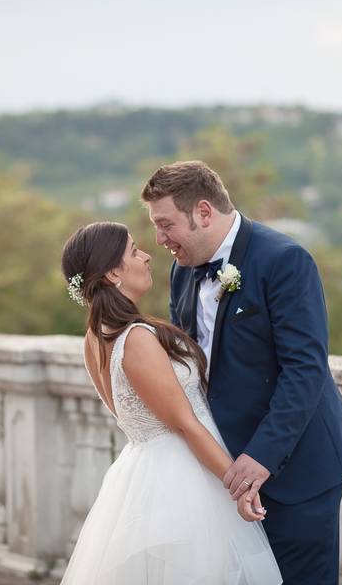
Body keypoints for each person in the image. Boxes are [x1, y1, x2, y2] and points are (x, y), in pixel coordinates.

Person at [141, 161, 342, 584]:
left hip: (297, 470)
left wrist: (261, 455)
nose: (160, 239)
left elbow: (305, 368)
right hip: (225, 477)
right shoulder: (182, 271)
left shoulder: (284, 260)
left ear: (204, 212)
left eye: (166, 224)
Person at [58, 221, 282, 584]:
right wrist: (237, 486)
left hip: (143, 472)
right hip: (182, 479)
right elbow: (184, 423)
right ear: (114, 272)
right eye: (134, 251)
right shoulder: (136, 338)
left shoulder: (94, 337)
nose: (146, 256)